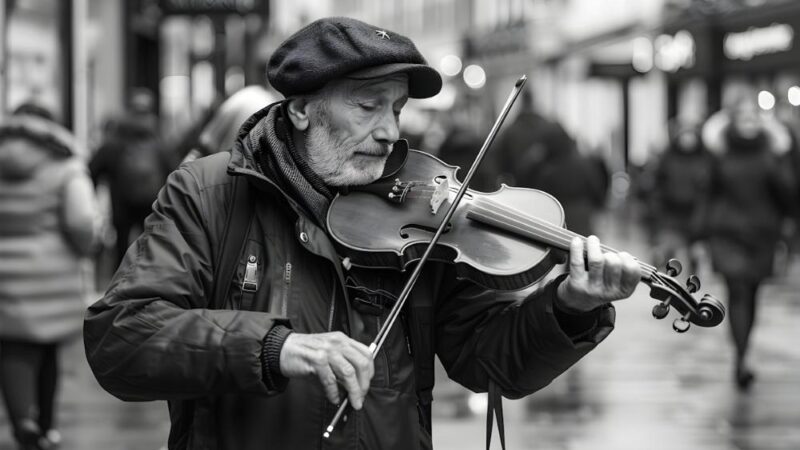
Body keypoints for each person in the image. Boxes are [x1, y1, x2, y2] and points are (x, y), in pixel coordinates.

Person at [83, 17, 641, 450]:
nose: (389, 133)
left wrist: (568, 306)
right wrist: (277, 348)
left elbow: (486, 358)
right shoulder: (209, 193)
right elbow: (122, 338)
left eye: (396, 109)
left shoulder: (422, 213)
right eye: (368, 107)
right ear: (301, 110)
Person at [0, 104, 99, 449]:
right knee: (47, 348)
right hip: (52, 271)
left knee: (12, 345)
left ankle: (23, 421)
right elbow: (81, 220)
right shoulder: (65, 164)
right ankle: (45, 425)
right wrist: (85, 248)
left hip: (4, 273)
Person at [699, 99, 797, 391]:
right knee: (738, 291)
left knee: (752, 293)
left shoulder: (772, 153)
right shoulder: (720, 153)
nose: (748, 122)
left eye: (753, 117)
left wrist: (781, 159)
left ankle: (743, 350)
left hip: (762, 235)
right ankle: (741, 358)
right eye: (742, 117)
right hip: (727, 234)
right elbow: (707, 194)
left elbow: (788, 194)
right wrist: (699, 235)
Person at [89, 89, 170, 265]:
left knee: (121, 247)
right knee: (150, 245)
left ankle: (119, 284)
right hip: (152, 202)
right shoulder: (158, 140)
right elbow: (174, 169)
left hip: (121, 204)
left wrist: (92, 199)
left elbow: (93, 169)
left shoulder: (116, 139)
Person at [648, 122, 713, 273]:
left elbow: (710, 190)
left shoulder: (705, 160)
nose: (687, 140)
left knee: (694, 258)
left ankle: (690, 290)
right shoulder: (667, 158)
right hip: (670, 215)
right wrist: (656, 209)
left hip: (696, 215)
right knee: (666, 256)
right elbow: (657, 186)